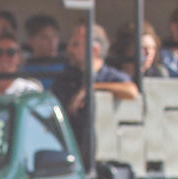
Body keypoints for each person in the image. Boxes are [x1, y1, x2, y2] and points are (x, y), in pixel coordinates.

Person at [51, 21, 138, 160]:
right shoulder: (66, 78)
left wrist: (92, 89)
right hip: (68, 154)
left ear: (94, 50)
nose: (69, 49)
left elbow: (131, 91)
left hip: (102, 159)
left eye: (76, 44)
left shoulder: (110, 76)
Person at [22, 14, 63, 89]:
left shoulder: (67, 67)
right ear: (30, 40)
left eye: (54, 36)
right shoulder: (23, 70)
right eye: (45, 37)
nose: (52, 42)